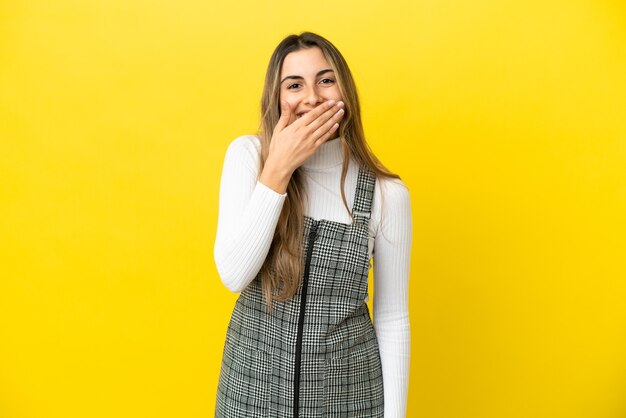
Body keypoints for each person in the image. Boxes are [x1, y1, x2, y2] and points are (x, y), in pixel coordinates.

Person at [213, 32, 412, 418]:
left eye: (325, 79)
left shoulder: (388, 194)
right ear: (277, 98)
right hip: (251, 392)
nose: (312, 97)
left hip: (349, 397)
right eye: (294, 85)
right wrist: (279, 168)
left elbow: (393, 318)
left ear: (345, 91)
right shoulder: (247, 158)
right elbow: (234, 275)